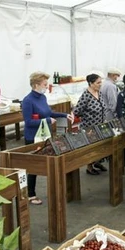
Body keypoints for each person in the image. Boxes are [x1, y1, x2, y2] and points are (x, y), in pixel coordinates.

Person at [22, 72, 73, 205]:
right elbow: (28, 122)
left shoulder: (43, 97)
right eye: (45, 84)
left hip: (45, 135)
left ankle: (54, 190)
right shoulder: (28, 100)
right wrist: (46, 120)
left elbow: (49, 113)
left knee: (49, 163)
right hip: (34, 137)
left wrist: (64, 115)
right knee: (34, 167)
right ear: (36, 85)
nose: (46, 86)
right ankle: (30, 194)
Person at [73, 74, 106, 175]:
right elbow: (77, 111)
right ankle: (89, 167)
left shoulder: (99, 93)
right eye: (98, 83)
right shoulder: (86, 96)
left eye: (101, 82)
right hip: (89, 127)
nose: (100, 84)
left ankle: (96, 162)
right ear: (91, 84)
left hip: (99, 125)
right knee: (90, 148)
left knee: (99, 146)